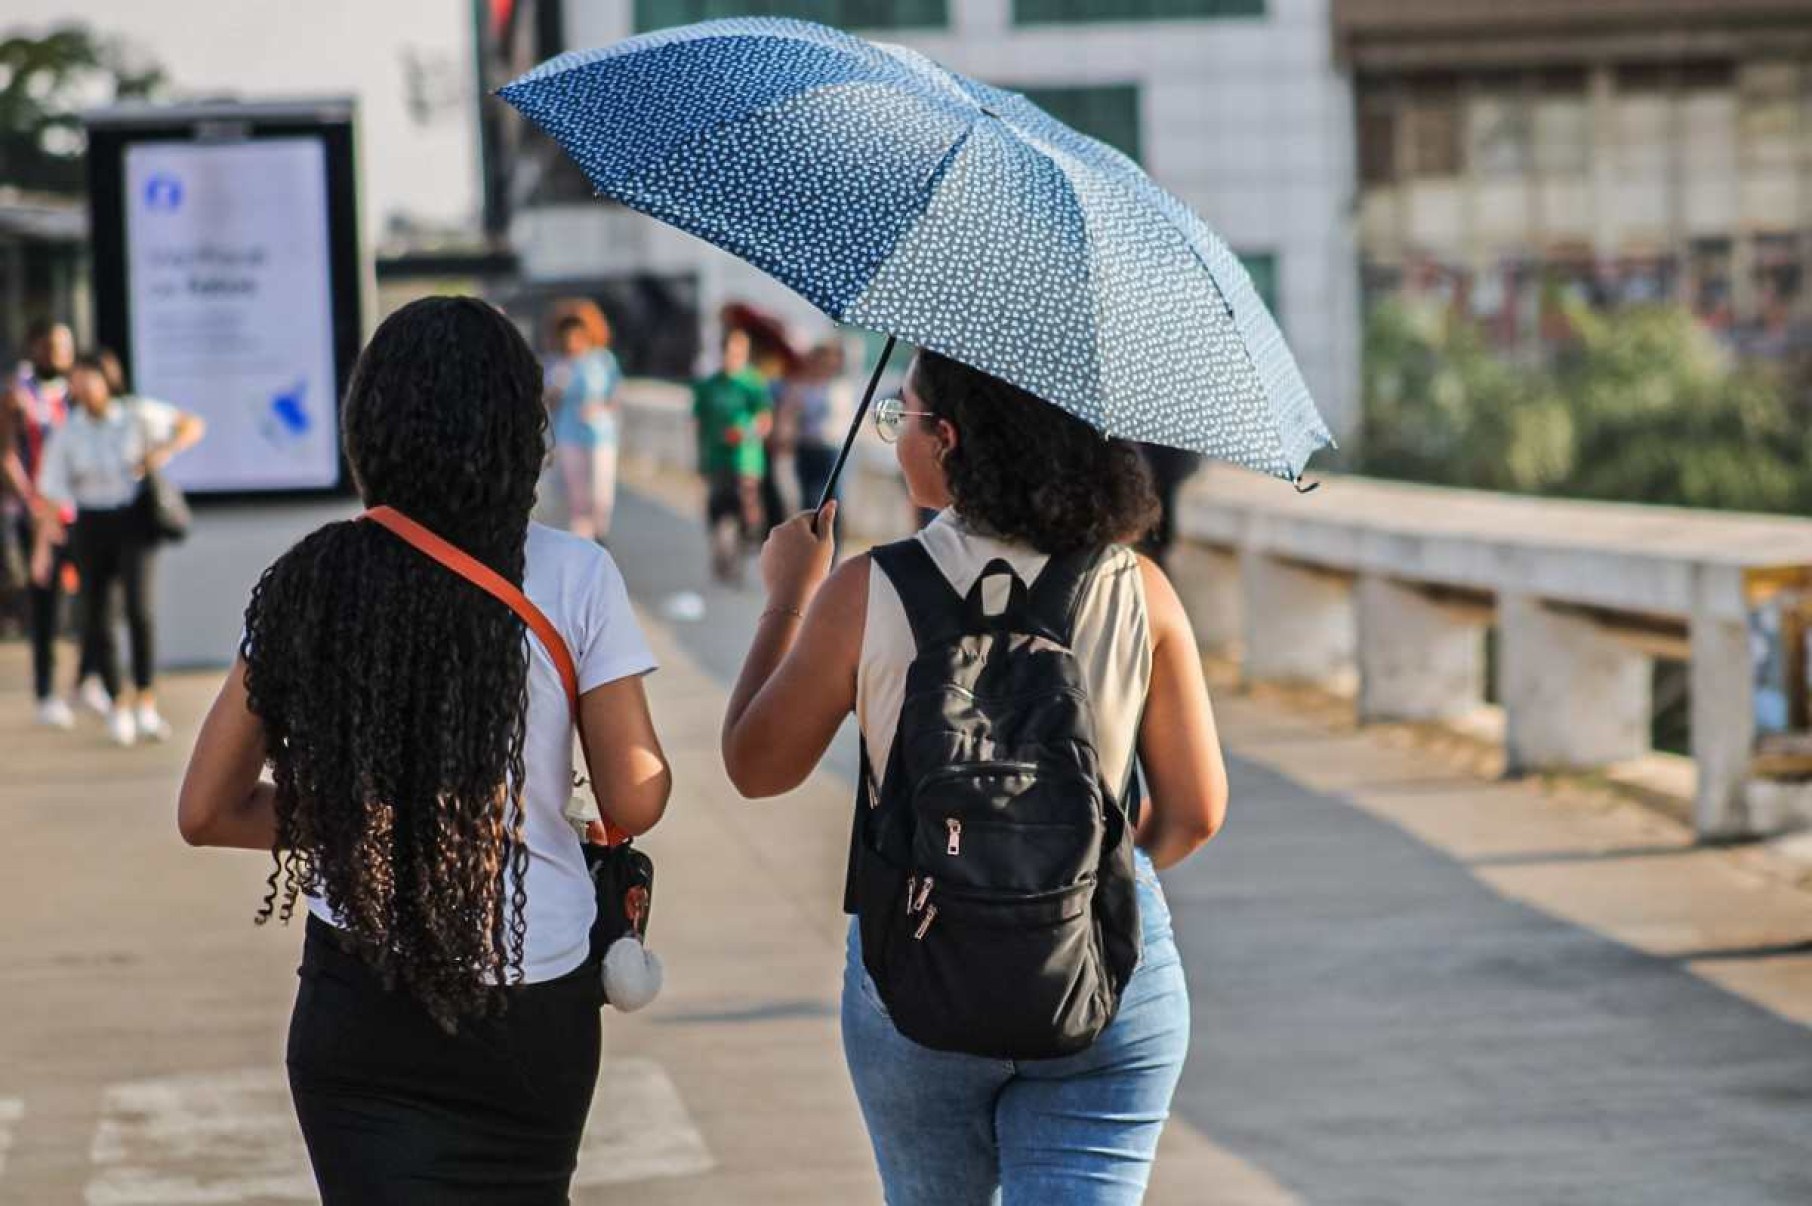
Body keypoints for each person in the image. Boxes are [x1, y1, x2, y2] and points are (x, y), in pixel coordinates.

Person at [176, 296, 673, 1205]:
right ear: (520, 431)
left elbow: (206, 810)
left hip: (360, 999)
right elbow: (634, 797)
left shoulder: (313, 578)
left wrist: (359, 815)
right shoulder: (573, 575)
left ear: (372, 427)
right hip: (532, 1000)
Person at [721, 351, 1229, 1204]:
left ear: (948, 439)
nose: (894, 434)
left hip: (920, 970)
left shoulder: (864, 593)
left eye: (902, 415)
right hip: (1104, 974)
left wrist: (787, 595)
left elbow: (755, 765)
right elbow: (1195, 813)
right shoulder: (1138, 587)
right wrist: (1072, 881)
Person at [32, 350, 204, 746]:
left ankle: (145, 698)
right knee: (97, 613)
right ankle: (118, 701)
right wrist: (43, 547)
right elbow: (52, 493)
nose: (81, 387)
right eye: (75, 380)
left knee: (139, 610)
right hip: (91, 522)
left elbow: (191, 425)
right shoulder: (69, 431)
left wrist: (161, 454)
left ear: (106, 379)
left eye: (87, 378)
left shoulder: (136, 414)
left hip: (133, 519)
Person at [1, 320, 110, 726]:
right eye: (50, 346)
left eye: (64, 346)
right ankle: (46, 691)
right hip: (40, 515)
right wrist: (32, 501)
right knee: (46, 602)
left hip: (83, 511)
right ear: (35, 348)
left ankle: (90, 677)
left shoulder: (77, 394)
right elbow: (7, 454)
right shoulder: (18, 396)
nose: (58, 354)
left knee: (97, 595)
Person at [693, 326, 772, 585]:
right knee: (718, 509)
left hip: (746, 457)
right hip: (716, 458)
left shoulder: (753, 384)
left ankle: (744, 547)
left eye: (739, 351)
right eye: (729, 350)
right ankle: (721, 552)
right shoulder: (709, 385)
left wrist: (746, 431)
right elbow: (698, 423)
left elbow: (764, 420)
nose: (733, 356)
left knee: (745, 507)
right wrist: (698, 459)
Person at [544, 301, 622, 542]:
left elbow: (615, 397)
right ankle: (583, 540)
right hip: (569, 434)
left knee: (601, 495)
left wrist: (598, 408)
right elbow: (548, 403)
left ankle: (600, 533)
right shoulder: (556, 364)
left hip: (600, 435)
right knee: (578, 497)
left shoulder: (603, 361)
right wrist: (556, 388)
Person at [786, 341, 850, 513]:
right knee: (808, 498)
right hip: (807, 446)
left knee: (832, 498)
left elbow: (843, 418)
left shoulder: (838, 388)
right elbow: (790, 413)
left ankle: (832, 537)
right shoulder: (802, 386)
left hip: (830, 447)